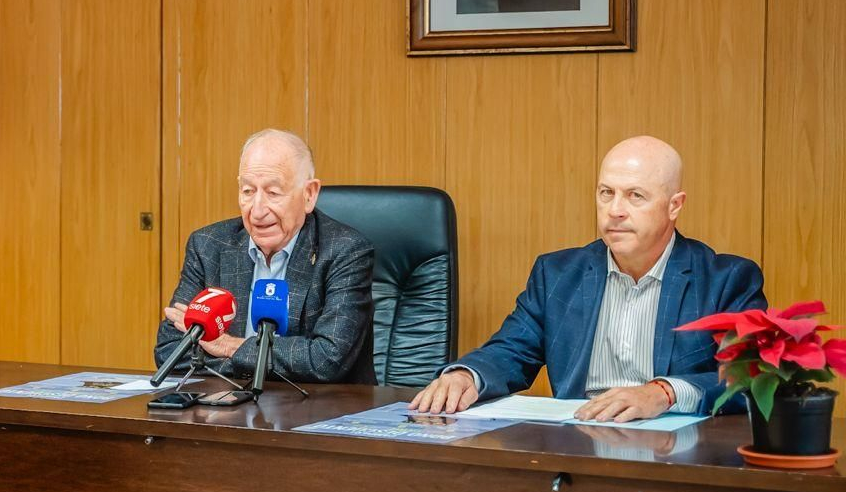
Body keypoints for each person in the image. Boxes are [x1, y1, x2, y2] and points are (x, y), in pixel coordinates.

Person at [410, 136, 765, 421]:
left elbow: (751, 378)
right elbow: (511, 350)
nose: (615, 210)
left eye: (635, 196)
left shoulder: (725, 280)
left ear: (674, 205)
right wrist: (465, 376)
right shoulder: (559, 274)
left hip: (672, 455)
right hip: (578, 448)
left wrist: (663, 392)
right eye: (606, 193)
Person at [155, 129, 374, 384]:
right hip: (226, 409)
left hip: (316, 412)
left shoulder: (345, 250)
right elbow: (171, 351)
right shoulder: (208, 246)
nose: (257, 211)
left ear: (309, 194)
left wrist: (228, 346)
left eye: (273, 193)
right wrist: (271, 361)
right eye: (248, 191)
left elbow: (326, 359)